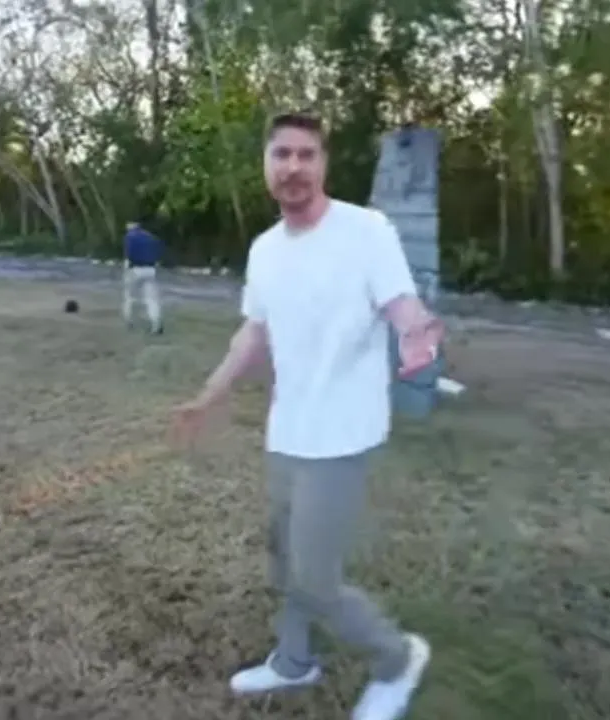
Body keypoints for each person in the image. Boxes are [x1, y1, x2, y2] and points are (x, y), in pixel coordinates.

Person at [170, 112, 444, 720]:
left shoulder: (366, 231)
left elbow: (401, 303)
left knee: (316, 579)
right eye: (282, 154)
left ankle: (398, 659)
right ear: (266, 165)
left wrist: (417, 332)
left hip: (341, 435)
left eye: (306, 154)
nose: (293, 166)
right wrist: (208, 396)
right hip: (288, 431)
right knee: (283, 558)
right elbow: (254, 332)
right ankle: (294, 660)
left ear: (323, 164)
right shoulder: (265, 250)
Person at [122, 221, 165, 334]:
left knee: (130, 296)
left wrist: (126, 269)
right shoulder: (150, 236)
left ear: (132, 226)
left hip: (135, 269)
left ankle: (129, 321)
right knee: (151, 299)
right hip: (151, 270)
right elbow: (159, 250)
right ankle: (156, 324)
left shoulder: (130, 236)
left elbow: (128, 254)